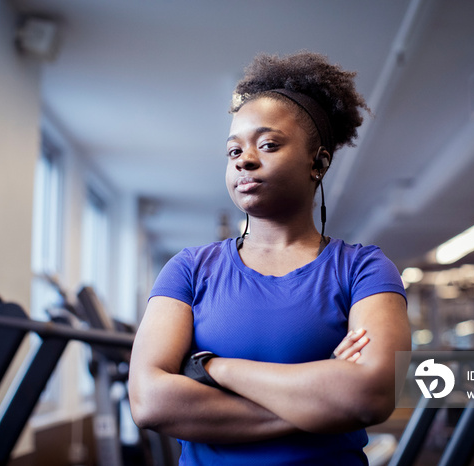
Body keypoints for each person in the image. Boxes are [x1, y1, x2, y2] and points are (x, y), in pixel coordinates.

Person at [129, 51, 411, 465]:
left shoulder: (364, 269)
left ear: (318, 163)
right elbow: (150, 403)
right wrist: (322, 401)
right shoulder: (188, 269)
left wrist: (213, 369)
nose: (244, 159)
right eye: (233, 151)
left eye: (268, 144)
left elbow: (372, 395)